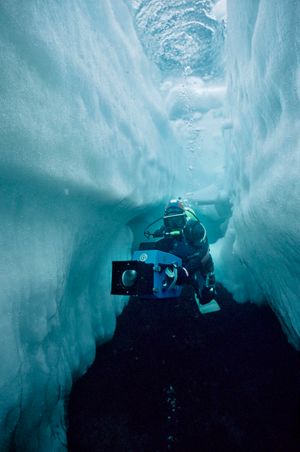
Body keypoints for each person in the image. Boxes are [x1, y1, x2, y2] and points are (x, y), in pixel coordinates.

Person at [145, 198, 217, 305]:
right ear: (166, 221)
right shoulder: (166, 229)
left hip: (197, 265)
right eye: (171, 221)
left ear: (184, 218)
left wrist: (186, 271)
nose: (174, 225)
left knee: (205, 298)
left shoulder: (196, 228)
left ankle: (206, 287)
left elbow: (204, 254)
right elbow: (157, 236)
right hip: (179, 264)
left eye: (177, 220)